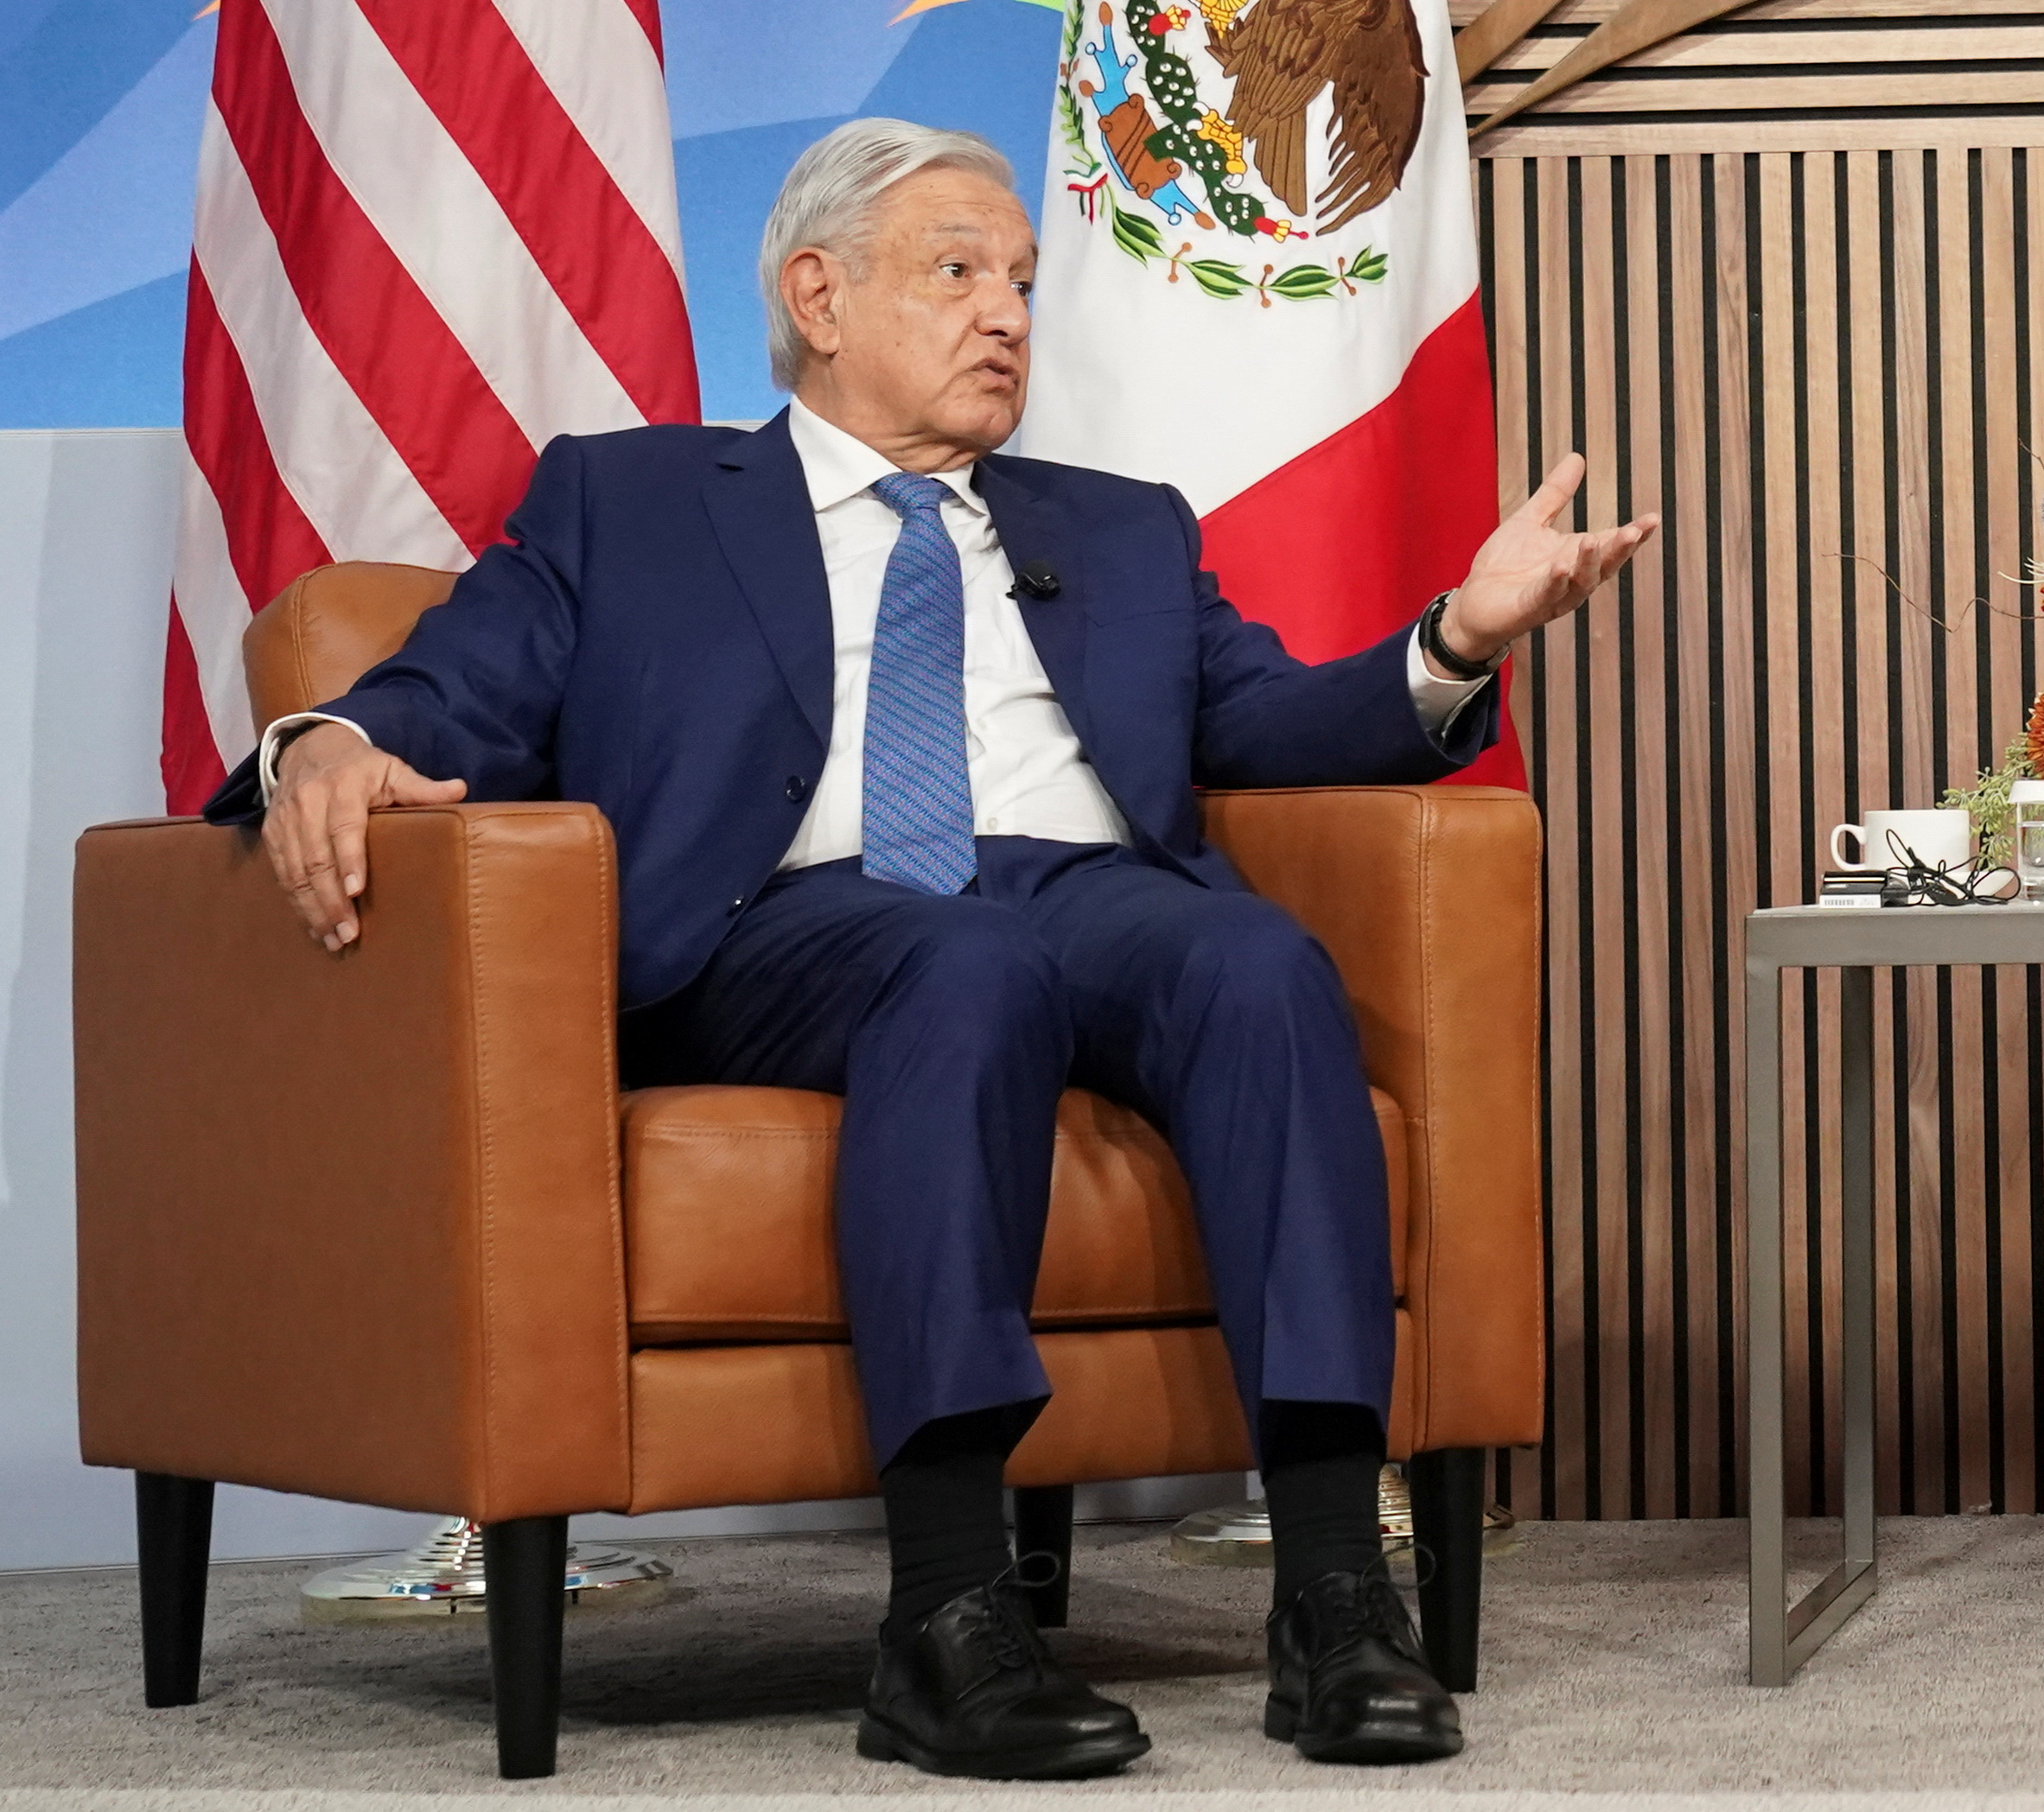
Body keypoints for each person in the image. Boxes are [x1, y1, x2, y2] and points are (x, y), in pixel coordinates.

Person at [208, 118, 1655, 1780]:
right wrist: (323, 736)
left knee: (1254, 960)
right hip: (784, 916)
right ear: (817, 296)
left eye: (1024, 282)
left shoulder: (1115, 523)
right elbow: (455, 684)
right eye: (959, 272)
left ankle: (1334, 1581)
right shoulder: (634, 499)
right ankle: (949, 1612)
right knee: (957, 965)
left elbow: (1260, 720)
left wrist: (1457, 635)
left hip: (1072, 886)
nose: (1008, 315)